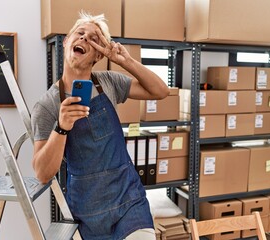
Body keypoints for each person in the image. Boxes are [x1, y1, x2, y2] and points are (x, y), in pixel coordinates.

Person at [31, 11, 169, 240]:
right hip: (87, 213)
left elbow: (161, 91)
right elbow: (43, 173)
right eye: (80, 33)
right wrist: (62, 127)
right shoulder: (47, 106)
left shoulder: (109, 82)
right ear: (66, 42)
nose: (84, 39)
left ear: (97, 56)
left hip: (129, 202)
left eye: (93, 39)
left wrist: (126, 62)